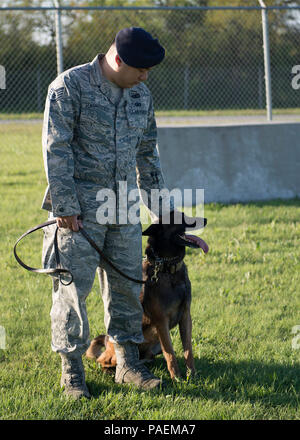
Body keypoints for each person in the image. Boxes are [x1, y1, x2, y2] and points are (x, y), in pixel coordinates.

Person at [41, 27, 174, 399]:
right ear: (118, 60)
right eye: (141, 70)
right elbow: (57, 149)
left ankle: (128, 362)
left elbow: (148, 156)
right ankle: (72, 370)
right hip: (79, 211)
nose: (145, 77)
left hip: (124, 208)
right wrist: (65, 206)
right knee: (72, 290)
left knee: (129, 286)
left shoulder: (141, 95)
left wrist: (162, 210)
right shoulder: (69, 87)